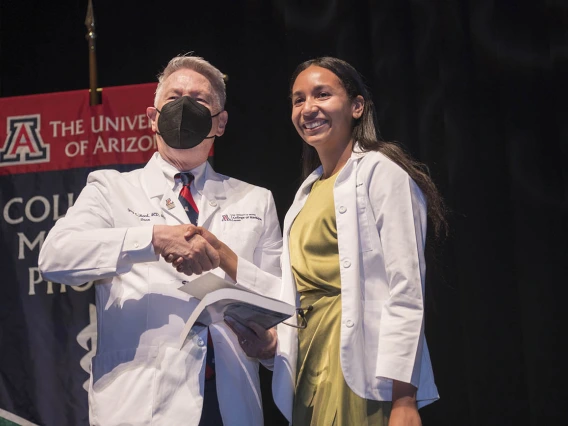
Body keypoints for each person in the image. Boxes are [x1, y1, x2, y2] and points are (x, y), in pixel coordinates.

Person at [38, 54, 282, 426]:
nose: (185, 106)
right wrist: (151, 239)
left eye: (200, 100)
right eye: (173, 97)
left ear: (221, 123)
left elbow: (279, 301)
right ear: (152, 117)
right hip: (141, 405)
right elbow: (55, 257)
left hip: (231, 404)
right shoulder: (111, 189)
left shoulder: (255, 199)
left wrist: (270, 347)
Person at [268, 57, 447, 425]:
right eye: (298, 99)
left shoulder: (381, 172)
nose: (308, 108)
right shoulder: (305, 193)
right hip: (309, 362)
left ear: (356, 106)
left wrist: (403, 398)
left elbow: (406, 288)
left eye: (322, 94)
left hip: (363, 368)